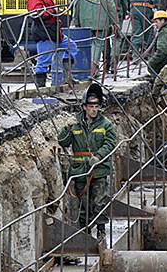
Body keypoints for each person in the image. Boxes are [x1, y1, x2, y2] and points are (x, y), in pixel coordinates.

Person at [57, 83, 117, 240]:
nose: (94, 109)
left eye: (96, 106)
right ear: (84, 107)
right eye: (91, 106)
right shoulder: (75, 125)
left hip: (99, 170)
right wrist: (66, 129)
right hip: (80, 171)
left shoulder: (106, 125)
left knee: (99, 202)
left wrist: (98, 156)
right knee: (84, 205)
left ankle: (101, 231)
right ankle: (85, 234)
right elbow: (63, 142)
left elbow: (110, 143)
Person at [27, 0, 74, 87]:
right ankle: (40, 88)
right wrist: (53, 11)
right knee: (43, 61)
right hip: (44, 32)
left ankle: (66, 77)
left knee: (71, 47)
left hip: (54, 32)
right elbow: (35, 13)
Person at [72, 0, 117, 77]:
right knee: (98, 44)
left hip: (84, 22)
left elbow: (75, 6)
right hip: (101, 23)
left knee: (85, 44)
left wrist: (75, 22)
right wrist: (115, 22)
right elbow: (111, 5)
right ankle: (93, 67)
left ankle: (87, 69)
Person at [102, 0, 127, 72]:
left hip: (103, 16)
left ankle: (105, 65)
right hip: (117, 15)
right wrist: (125, 12)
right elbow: (124, 3)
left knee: (104, 40)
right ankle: (114, 65)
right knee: (116, 39)